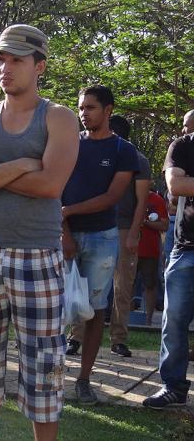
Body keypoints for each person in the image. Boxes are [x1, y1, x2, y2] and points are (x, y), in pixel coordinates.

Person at [0, 25, 79, 440]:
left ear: (39, 66)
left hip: (37, 255)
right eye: (0, 59)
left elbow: (50, 186)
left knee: (44, 365)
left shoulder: (59, 118)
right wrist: (24, 164)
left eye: (16, 60)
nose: (5, 67)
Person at [62, 85, 139, 405]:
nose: (83, 113)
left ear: (108, 110)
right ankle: (52, 378)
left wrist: (68, 211)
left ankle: (83, 381)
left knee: (94, 312)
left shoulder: (124, 150)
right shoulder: (67, 144)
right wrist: (63, 228)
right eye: (81, 108)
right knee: (55, 311)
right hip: (63, 235)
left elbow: (111, 197)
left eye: (90, 108)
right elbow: (53, 189)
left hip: (103, 237)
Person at [142, 110, 194, 409]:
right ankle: (173, 386)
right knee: (173, 320)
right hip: (187, 247)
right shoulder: (182, 146)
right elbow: (176, 186)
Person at [103, 115, 151, 358]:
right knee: (87, 285)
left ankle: (118, 339)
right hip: (96, 227)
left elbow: (142, 201)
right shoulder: (93, 152)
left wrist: (134, 233)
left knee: (123, 288)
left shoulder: (138, 160)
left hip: (124, 229)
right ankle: (75, 337)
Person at [136, 190, 168, 325]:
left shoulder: (157, 200)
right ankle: (128, 320)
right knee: (126, 286)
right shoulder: (129, 197)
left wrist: (145, 222)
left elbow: (164, 225)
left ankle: (148, 321)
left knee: (150, 285)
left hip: (150, 251)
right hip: (129, 251)